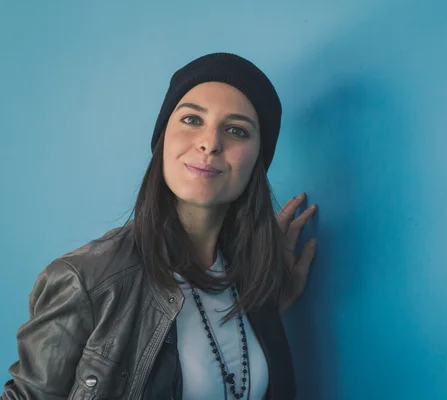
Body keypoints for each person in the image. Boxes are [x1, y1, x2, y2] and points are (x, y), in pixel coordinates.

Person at [2, 52, 317, 400]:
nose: (210, 143)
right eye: (192, 119)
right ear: (163, 137)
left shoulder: (249, 282)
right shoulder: (86, 282)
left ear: (258, 158)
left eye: (236, 130)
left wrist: (271, 303)